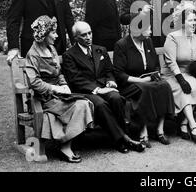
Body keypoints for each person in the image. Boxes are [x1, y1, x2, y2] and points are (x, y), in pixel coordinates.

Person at [62, 21, 145, 153]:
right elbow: (75, 80)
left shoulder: (100, 49)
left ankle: (121, 137)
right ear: (76, 37)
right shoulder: (69, 55)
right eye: (84, 35)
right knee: (100, 104)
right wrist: (98, 90)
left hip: (103, 87)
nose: (88, 37)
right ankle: (123, 140)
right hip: (85, 91)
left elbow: (109, 71)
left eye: (90, 33)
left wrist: (111, 81)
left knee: (116, 97)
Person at [25, 16, 93, 163]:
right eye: (53, 33)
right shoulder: (33, 55)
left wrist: (64, 85)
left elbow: (59, 72)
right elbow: (34, 83)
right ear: (43, 35)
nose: (56, 36)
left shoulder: (52, 49)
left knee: (84, 103)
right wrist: (55, 88)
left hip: (58, 96)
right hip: (42, 99)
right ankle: (65, 147)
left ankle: (65, 144)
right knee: (79, 105)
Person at [113, 24, 175, 148]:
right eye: (148, 28)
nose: (151, 31)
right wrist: (141, 81)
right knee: (145, 89)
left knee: (165, 86)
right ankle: (143, 130)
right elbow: (119, 74)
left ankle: (160, 130)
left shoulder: (148, 42)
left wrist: (154, 75)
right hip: (129, 85)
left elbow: (156, 65)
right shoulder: (122, 45)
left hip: (148, 81)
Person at [161, 1, 196, 144]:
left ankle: (183, 124)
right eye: (190, 20)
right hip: (172, 75)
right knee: (184, 89)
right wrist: (181, 79)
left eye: (195, 20)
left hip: (188, 75)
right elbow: (171, 62)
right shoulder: (172, 37)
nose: (194, 23)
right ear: (182, 21)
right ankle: (193, 125)